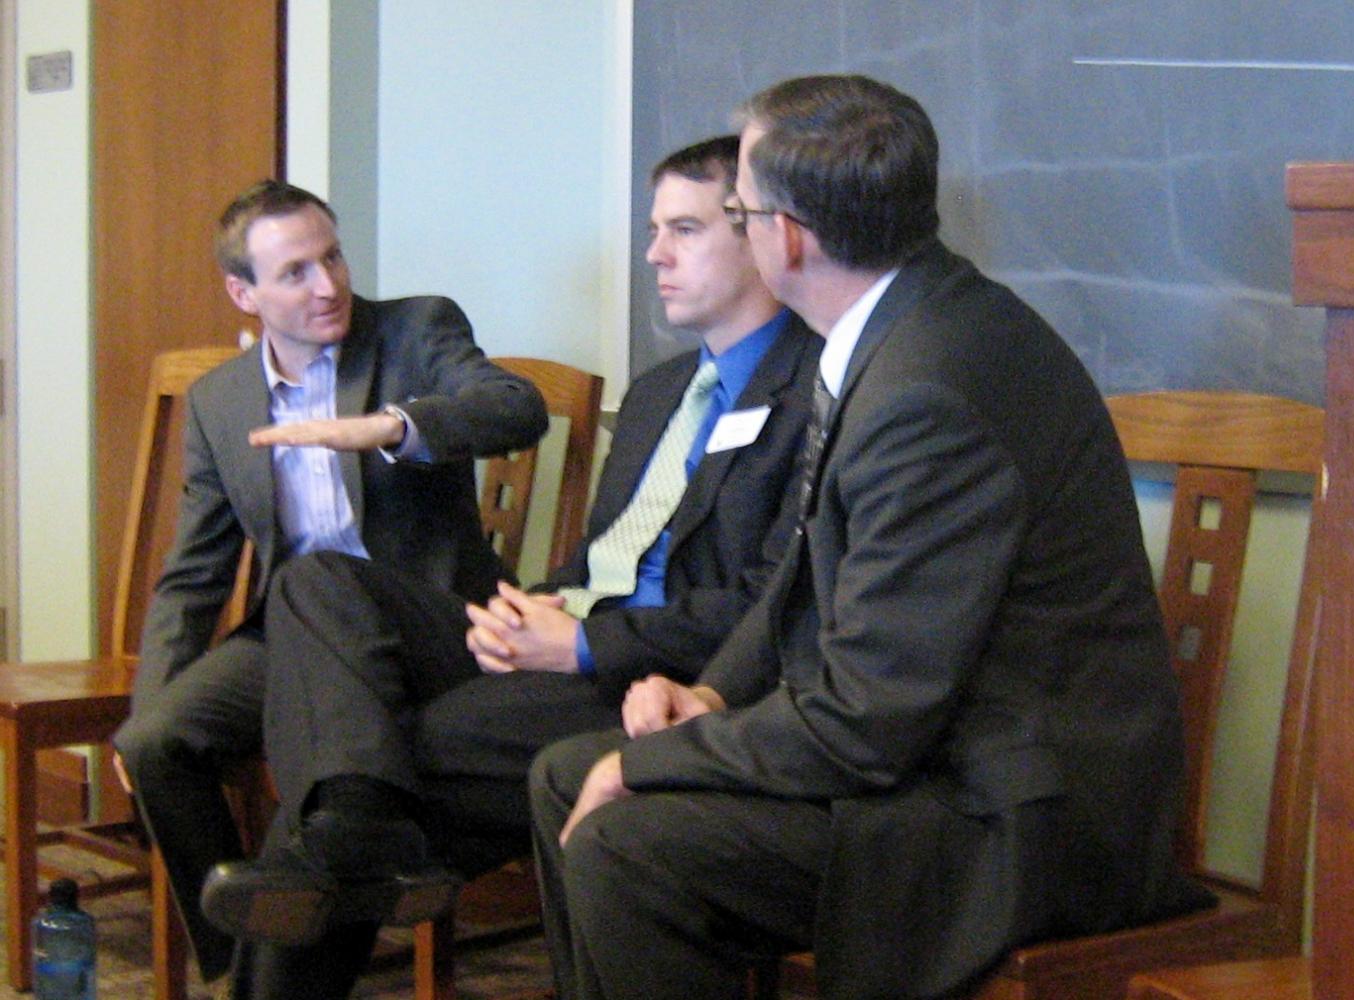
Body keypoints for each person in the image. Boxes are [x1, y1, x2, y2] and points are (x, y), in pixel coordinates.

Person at [529, 75, 1210, 1000]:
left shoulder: (929, 389)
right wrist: (711, 693)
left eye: (739, 210)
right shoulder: (897, 328)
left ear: (790, 237)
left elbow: (869, 721)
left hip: (1007, 814)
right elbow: (798, 585)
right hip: (932, 756)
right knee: (568, 773)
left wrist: (654, 759)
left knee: (629, 843)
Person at [198, 136, 821, 999]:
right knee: (317, 587)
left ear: (755, 234)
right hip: (557, 626)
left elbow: (777, 608)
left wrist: (583, 644)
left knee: (379, 764)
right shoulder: (659, 391)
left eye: (683, 229)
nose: (653, 254)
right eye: (653, 229)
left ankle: (348, 835)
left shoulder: (819, 391)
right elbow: (605, 555)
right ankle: (354, 826)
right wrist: (527, 610)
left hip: (652, 674)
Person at [110, 179, 549, 990]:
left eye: (334, 257)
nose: (328, 285)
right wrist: (150, 694)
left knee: (320, 627)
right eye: (296, 273)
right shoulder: (220, 400)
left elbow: (514, 408)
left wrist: (395, 427)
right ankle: (245, 960)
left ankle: (293, 947)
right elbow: (196, 574)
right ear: (244, 293)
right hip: (299, 629)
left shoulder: (417, 329)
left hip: (430, 621)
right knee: (153, 743)